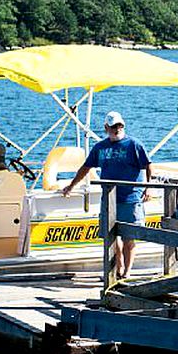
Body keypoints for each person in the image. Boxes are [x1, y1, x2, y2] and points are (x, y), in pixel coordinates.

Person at [61, 111, 152, 280]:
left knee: (129, 237)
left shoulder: (134, 144)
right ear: (106, 128)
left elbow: (148, 165)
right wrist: (72, 185)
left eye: (119, 126)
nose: (117, 129)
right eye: (113, 126)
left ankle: (127, 272)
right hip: (108, 200)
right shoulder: (100, 147)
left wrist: (148, 188)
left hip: (130, 198)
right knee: (110, 236)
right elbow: (86, 167)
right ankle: (119, 264)